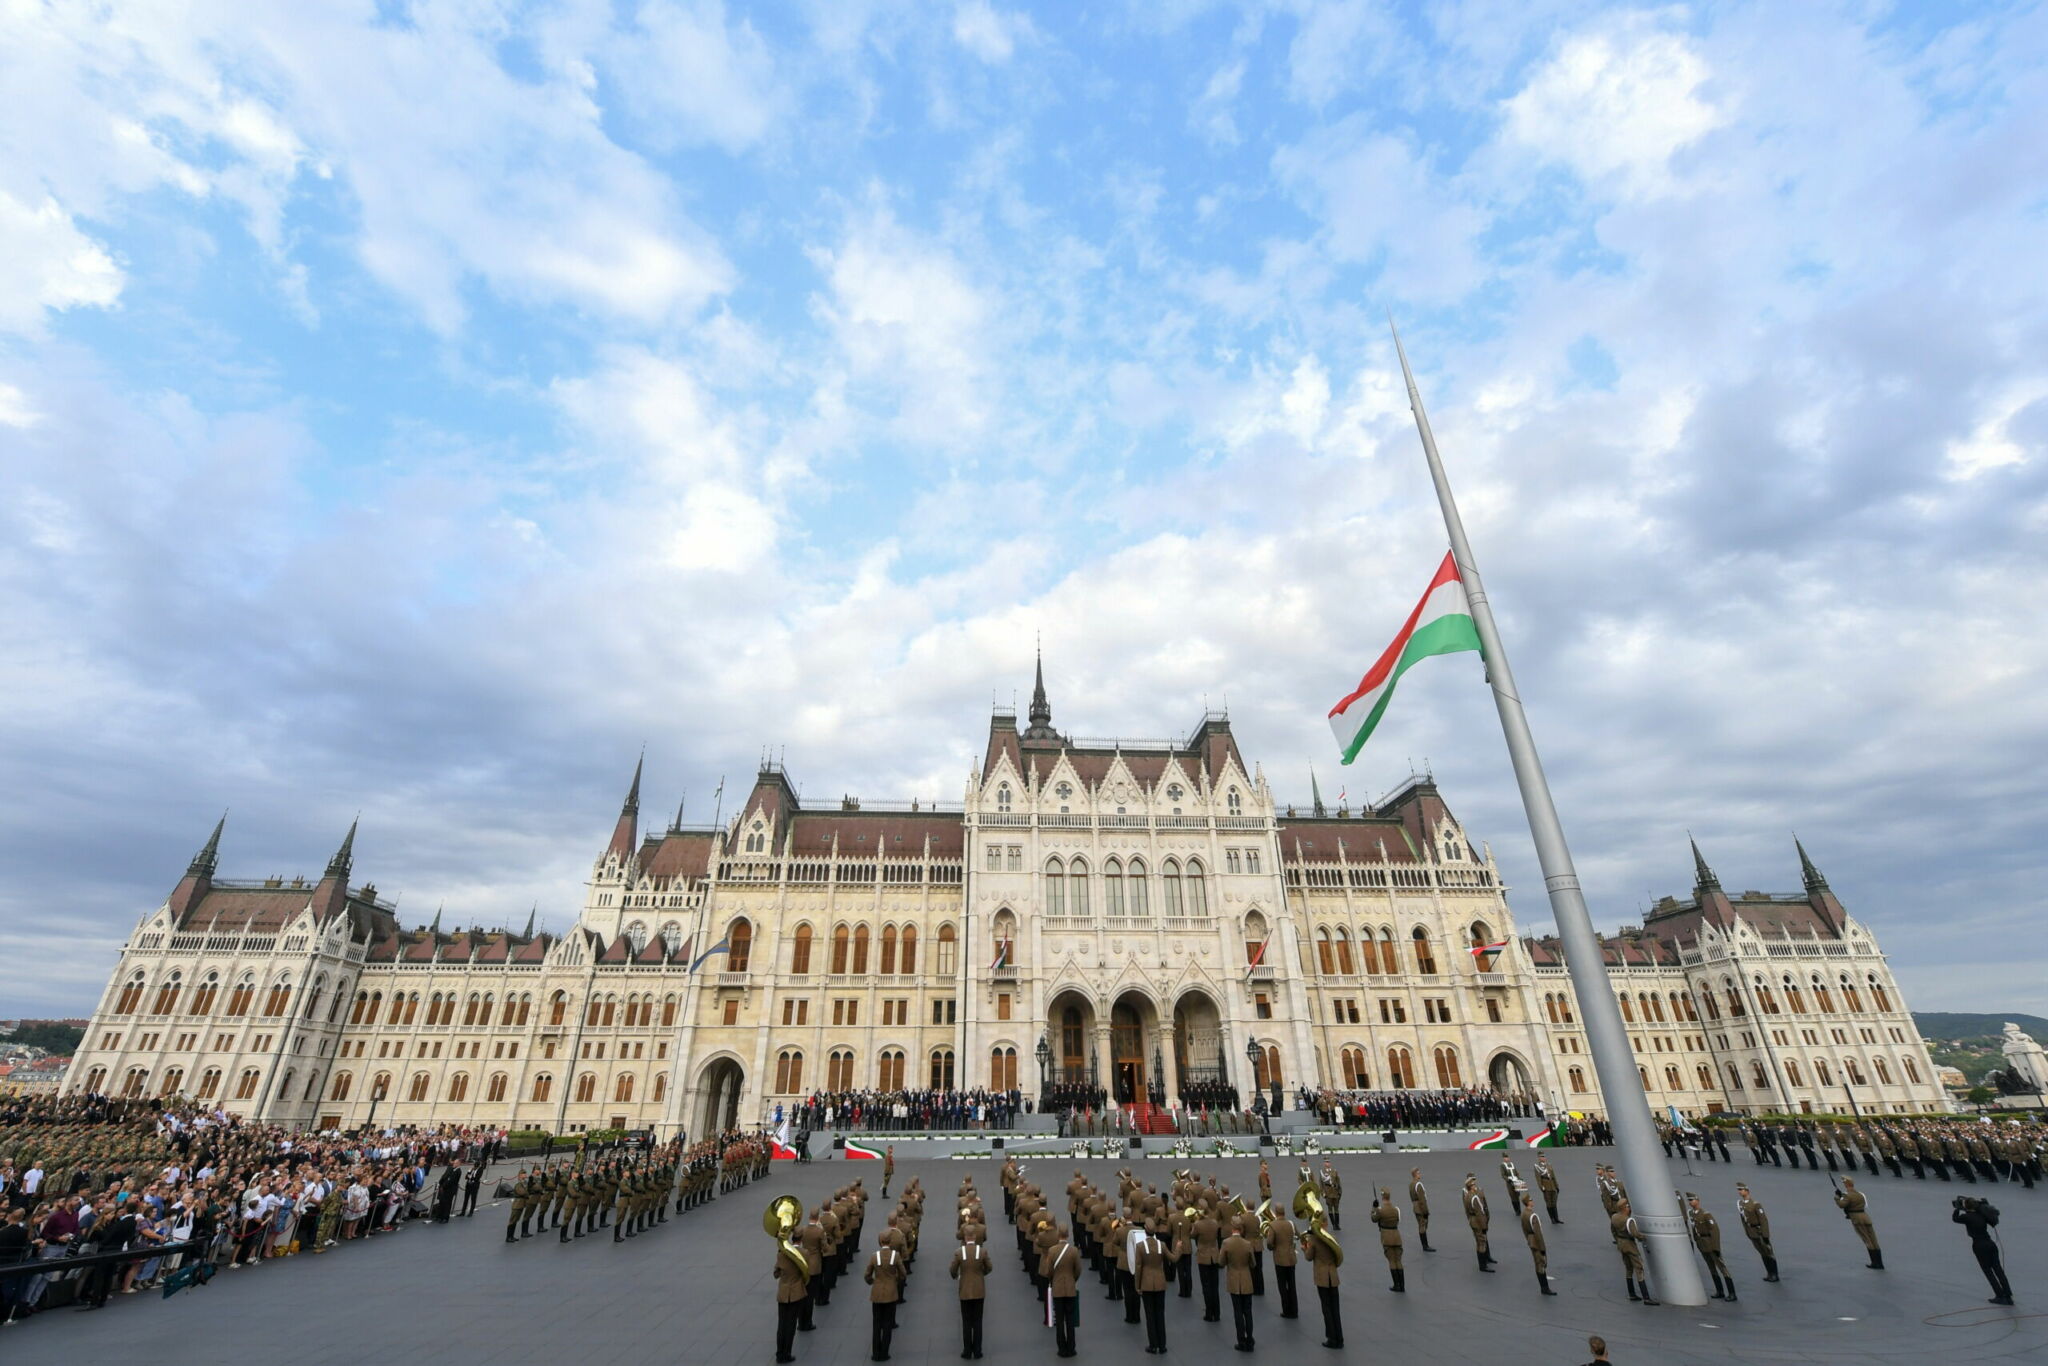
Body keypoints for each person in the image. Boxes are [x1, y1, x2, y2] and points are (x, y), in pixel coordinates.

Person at [1951, 1196, 2013, 1306]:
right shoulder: (1982, 1215)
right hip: (1990, 1243)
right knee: (1998, 1269)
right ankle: (2008, 1295)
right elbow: (1992, 1220)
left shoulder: (1966, 1217)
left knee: (1988, 1271)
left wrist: (1957, 1208)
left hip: (1979, 1245)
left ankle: (1999, 1295)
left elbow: (1955, 1219)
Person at [1301, 1212, 1343, 1349]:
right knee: (1335, 1308)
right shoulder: (1333, 1238)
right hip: (1333, 1275)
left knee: (1326, 1308)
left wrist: (1304, 1248)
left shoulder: (1314, 1241)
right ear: (1326, 1223)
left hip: (1321, 1276)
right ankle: (1339, 1337)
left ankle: (1331, 1338)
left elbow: (1309, 1257)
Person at [1040, 1222, 1081, 1359]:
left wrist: (1053, 1280)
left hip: (1057, 1287)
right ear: (1068, 1235)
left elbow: (1049, 1271)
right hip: (1070, 1287)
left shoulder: (1052, 1251)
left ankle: (1061, 1348)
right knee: (1070, 1319)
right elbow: (1078, 1270)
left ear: (1058, 1235)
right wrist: (1072, 1279)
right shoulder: (1074, 1251)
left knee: (1059, 1319)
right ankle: (1071, 1347)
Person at [1686, 1192, 1734, 1301]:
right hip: (1702, 1244)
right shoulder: (1692, 1214)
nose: (1690, 1202)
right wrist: (1697, 1241)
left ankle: (1732, 1293)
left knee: (1722, 1268)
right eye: (1689, 1200)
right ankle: (1720, 1291)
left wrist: (1716, 1248)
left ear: (1698, 1200)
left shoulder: (1706, 1214)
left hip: (1710, 1244)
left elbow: (1715, 1231)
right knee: (1711, 1267)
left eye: (1692, 1200)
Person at [1610, 1197, 1657, 1305]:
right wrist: (1644, 1237)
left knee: (1628, 1269)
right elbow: (1635, 1234)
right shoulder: (1628, 1220)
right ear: (1625, 1208)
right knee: (1639, 1269)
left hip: (1621, 1244)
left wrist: (1618, 1240)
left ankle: (1631, 1294)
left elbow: (1613, 1231)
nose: (1629, 1208)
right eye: (1628, 1206)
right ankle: (1646, 1297)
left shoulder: (1614, 1217)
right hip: (1630, 1245)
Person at [949, 1231, 989, 1358]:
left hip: (965, 1289)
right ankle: (978, 1350)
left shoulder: (959, 1252)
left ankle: (967, 1351)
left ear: (966, 1238)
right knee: (978, 1321)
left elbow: (953, 1269)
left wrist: (955, 1276)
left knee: (966, 1322)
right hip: (979, 1289)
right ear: (975, 1237)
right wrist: (981, 1274)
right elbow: (989, 1267)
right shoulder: (982, 1252)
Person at [773, 1227, 809, 1364]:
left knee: (781, 1325)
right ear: (802, 1239)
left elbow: (776, 1273)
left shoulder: (781, 1254)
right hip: (796, 1292)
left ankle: (779, 1353)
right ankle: (787, 1353)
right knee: (791, 1325)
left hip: (783, 1292)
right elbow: (807, 1272)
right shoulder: (804, 1253)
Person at [1222, 1215, 1258, 1351]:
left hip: (1233, 1280)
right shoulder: (1247, 1244)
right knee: (1248, 1311)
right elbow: (1253, 1263)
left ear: (1232, 1227)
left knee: (1237, 1312)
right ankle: (1250, 1339)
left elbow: (1221, 1262)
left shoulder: (1226, 1243)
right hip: (1246, 1280)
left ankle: (1241, 1340)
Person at [1135, 1221, 1170, 1354]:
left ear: (1145, 1231)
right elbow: (1173, 1258)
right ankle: (1163, 1345)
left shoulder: (1140, 1247)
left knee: (1150, 1315)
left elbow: (1138, 1267)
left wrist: (1137, 1285)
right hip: (1160, 1283)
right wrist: (1178, 1248)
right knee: (1160, 1314)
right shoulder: (1162, 1245)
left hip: (1147, 1283)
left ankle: (1153, 1344)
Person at [865, 1240, 903, 1362]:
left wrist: (873, 1282)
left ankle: (875, 1353)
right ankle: (884, 1352)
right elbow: (903, 1273)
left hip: (877, 1293)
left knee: (876, 1324)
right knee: (887, 1324)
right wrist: (895, 1281)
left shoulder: (874, 1256)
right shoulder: (895, 1256)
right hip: (891, 1293)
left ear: (880, 1242)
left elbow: (867, 1275)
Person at [1834, 1177, 1882, 1270]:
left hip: (1857, 1218)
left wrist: (1837, 1197)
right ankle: (1880, 1263)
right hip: (1865, 1217)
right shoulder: (1860, 1194)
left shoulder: (1848, 1195)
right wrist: (1842, 1195)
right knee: (1874, 1240)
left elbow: (1842, 1205)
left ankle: (1874, 1263)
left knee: (1867, 1240)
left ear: (1847, 1185)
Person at [1735, 1183, 1778, 1282]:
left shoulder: (1755, 1204)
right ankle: (1769, 1273)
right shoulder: (1741, 1204)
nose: (1740, 1192)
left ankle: (1775, 1274)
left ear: (1747, 1191)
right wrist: (1747, 1232)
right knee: (1762, 1252)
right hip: (1752, 1232)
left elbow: (1763, 1220)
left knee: (1768, 1252)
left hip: (1759, 1231)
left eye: (1741, 1189)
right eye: (1739, 1190)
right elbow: (1743, 1220)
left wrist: (1765, 1235)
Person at [1266, 1199, 1300, 1315]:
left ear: (1276, 1212)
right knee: (1292, 1285)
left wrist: (1273, 1247)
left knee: (1282, 1286)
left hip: (1280, 1259)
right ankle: (1294, 1310)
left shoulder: (1273, 1225)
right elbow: (1298, 1235)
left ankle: (1286, 1310)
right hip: (1291, 1257)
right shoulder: (1291, 1223)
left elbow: (1270, 1243)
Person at [1370, 1186, 1404, 1292]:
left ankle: (1396, 1285)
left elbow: (1374, 1219)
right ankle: (1402, 1285)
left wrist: (1374, 1208)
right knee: (1398, 1261)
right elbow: (1398, 1220)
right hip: (1396, 1236)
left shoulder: (1381, 1210)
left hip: (1386, 1237)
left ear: (1382, 1196)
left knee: (1392, 1261)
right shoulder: (1396, 1209)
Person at [1521, 1192, 1555, 1295]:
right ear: (1528, 1202)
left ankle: (1544, 1287)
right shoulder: (1533, 1216)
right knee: (1541, 1264)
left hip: (1531, 1241)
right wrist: (1543, 1248)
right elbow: (1538, 1234)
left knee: (1537, 1263)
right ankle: (1544, 1288)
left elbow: (1524, 1230)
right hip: (1537, 1242)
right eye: (1531, 1200)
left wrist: (1528, 1239)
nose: (1532, 1201)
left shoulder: (1524, 1214)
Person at [1462, 1174, 1493, 1272]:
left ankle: (1483, 1263)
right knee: (1482, 1243)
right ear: (1471, 1186)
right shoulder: (1474, 1198)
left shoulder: (1467, 1196)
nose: (1475, 1186)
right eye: (1473, 1185)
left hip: (1473, 1221)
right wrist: (1484, 1226)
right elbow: (1480, 1213)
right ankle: (1483, 1266)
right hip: (1478, 1222)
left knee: (1479, 1243)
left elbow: (1467, 1210)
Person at [1409, 1167, 1432, 1251]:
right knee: (1423, 1225)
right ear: (1415, 1174)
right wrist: (1425, 1212)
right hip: (1420, 1207)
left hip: (1415, 1206)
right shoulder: (1418, 1184)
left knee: (1420, 1225)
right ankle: (1425, 1246)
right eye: (1418, 1173)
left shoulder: (1411, 1184)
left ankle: (1424, 1245)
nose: (1420, 1174)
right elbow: (1422, 1199)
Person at [1535, 1153, 1562, 1223]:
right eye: (1542, 1156)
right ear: (1539, 1158)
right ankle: (1552, 1218)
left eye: (1544, 1156)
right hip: (1546, 1186)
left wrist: (1557, 1186)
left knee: (1554, 1203)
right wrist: (1542, 1188)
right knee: (1549, 1203)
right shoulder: (1537, 1166)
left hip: (1552, 1185)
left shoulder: (1549, 1165)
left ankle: (1556, 1218)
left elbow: (1553, 1176)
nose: (1544, 1158)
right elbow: (1538, 1178)